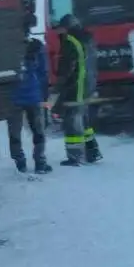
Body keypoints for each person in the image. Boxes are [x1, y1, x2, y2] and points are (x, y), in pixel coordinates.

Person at [53, 14, 103, 166]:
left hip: (76, 86)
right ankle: (92, 151)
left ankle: (74, 157)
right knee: (84, 118)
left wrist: (59, 86)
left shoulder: (70, 41)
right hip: (89, 85)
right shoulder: (87, 39)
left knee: (72, 120)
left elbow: (67, 67)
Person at [8, 13, 52, 174]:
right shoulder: (37, 46)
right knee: (38, 131)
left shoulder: (8, 48)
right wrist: (44, 96)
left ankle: (20, 163)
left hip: (13, 97)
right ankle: (40, 163)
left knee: (14, 133)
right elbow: (43, 73)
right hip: (34, 96)